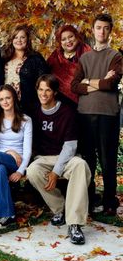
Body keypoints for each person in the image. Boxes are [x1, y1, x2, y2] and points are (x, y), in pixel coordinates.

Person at [27, 74, 91, 245]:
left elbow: (70, 147)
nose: (44, 94)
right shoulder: (34, 111)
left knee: (81, 166)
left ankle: (75, 223)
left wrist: (56, 171)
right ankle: (60, 209)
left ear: (55, 92)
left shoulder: (67, 112)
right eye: (40, 89)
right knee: (32, 170)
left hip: (67, 156)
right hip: (45, 157)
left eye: (48, 90)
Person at [71, 13, 122, 215]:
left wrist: (88, 81)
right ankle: (90, 200)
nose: (101, 31)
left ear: (110, 31)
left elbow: (111, 84)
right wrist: (99, 82)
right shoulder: (85, 57)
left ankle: (110, 202)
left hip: (107, 114)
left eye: (106, 28)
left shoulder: (115, 56)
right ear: (93, 30)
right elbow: (74, 86)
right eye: (98, 27)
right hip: (85, 114)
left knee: (107, 159)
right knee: (88, 160)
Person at [0, 84, 32, 229]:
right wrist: (9, 151)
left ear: (14, 98)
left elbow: (27, 151)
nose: (5, 102)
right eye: (1, 99)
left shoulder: (26, 120)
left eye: (8, 98)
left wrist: (20, 171)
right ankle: (8, 214)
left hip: (17, 162)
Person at [3, 25, 49, 116]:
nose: (19, 40)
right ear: (11, 40)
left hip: (29, 105)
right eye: (15, 37)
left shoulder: (35, 58)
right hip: (6, 104)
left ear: (27, 39)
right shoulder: (4, 59)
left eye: (22, 37)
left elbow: (44, 82)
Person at [47, 25, 91, 107]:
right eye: (63, 39)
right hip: (60, 101)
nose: (68, 41)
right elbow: (46, 75)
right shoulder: (55, 56)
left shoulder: (87, 51)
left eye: (70, 37)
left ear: (76, 37)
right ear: (60, 42)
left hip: (85, 100)